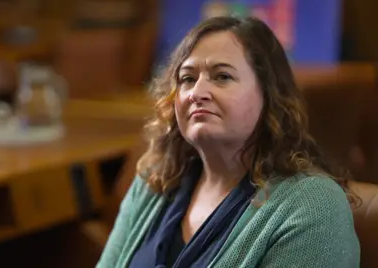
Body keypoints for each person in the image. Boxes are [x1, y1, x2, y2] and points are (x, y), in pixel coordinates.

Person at [97, 16, 360, 268]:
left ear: (270, 96)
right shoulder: (154, 181)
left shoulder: (314, 206)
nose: (196, 93)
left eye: (222, 76)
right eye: (187, 79)